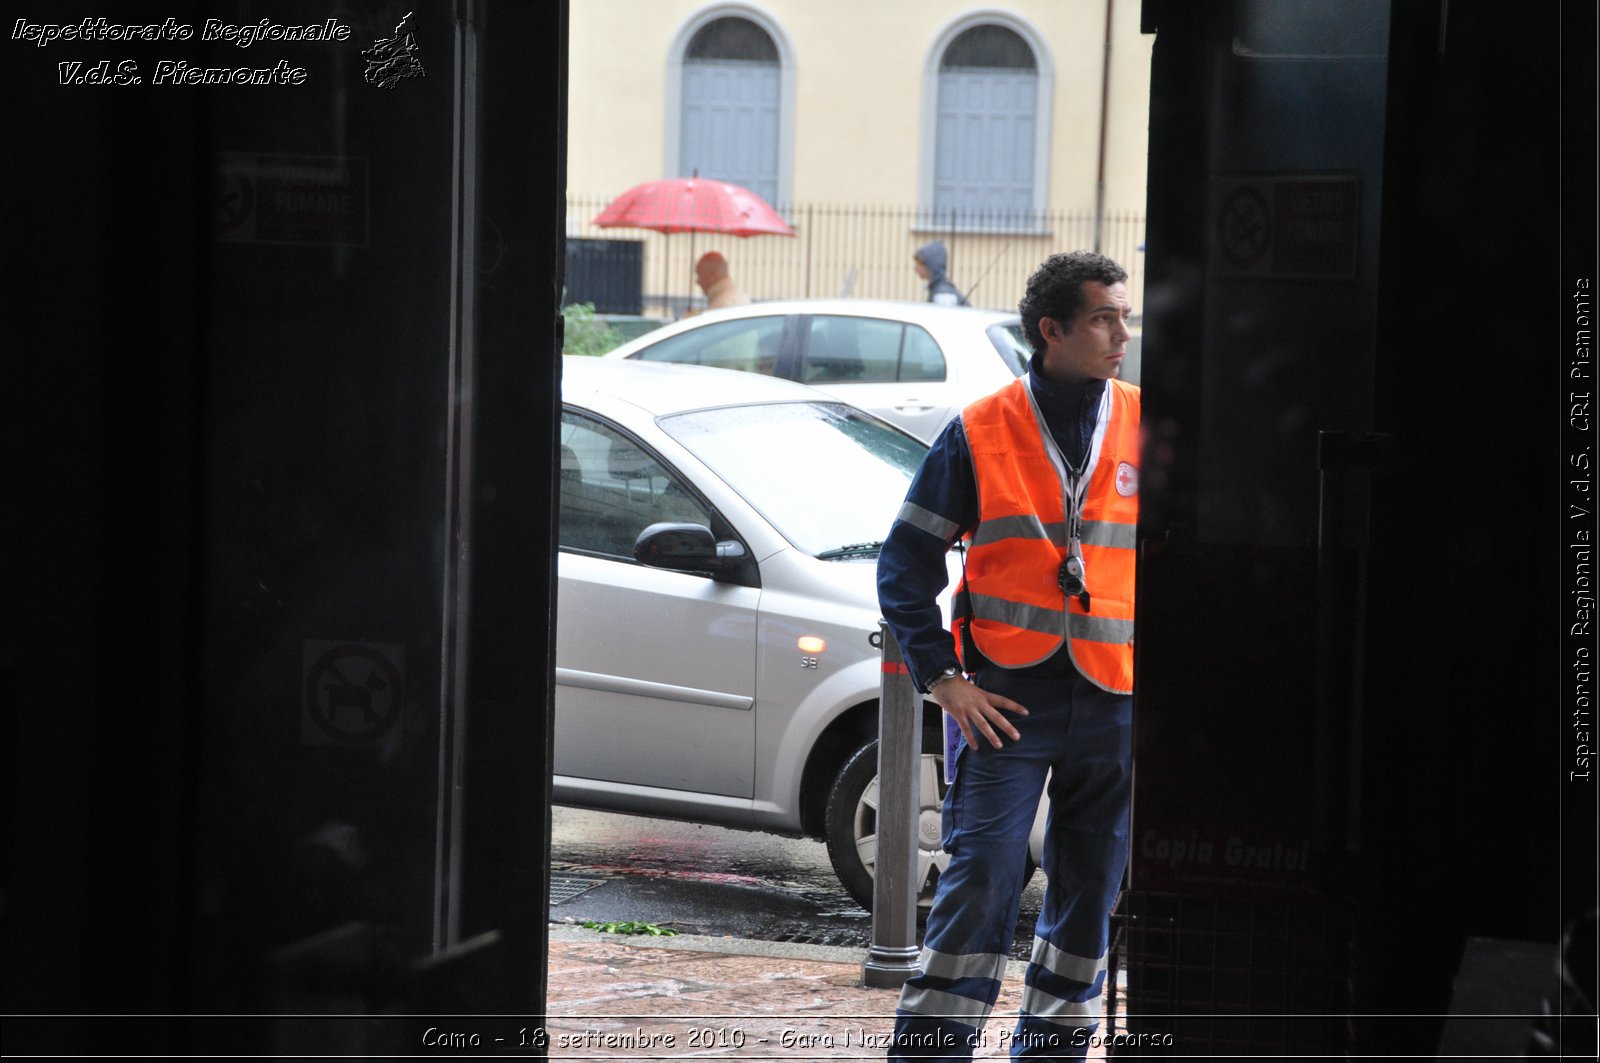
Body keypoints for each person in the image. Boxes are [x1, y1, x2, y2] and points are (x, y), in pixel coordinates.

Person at [877, 251, 1138, 1060]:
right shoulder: (982, 427)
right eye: (1103, 317)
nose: (1121, 333)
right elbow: (904, 565)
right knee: (983, 873)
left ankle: (1053, 1050)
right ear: (1051, 330)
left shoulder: (1145, 422)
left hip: (1113, 700)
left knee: (1092, 889)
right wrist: (944, 680)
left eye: (1124, 316)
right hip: (1007, 701)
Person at [914, 240, 967, 306]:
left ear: (932, 264)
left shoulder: (943, 295)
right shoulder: (938, 289)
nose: (915, 269)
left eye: (920, 264)